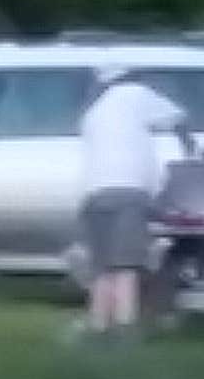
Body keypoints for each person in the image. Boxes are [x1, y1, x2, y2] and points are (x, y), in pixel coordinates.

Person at [71, 66, 187, 337]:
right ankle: (125, 326)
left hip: (94, 193)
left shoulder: (93, 111)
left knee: (102, 267)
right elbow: (177, 115)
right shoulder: (135, 93)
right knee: (126, 265)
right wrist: (188, 144)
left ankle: (98, 325)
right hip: (129, 191)